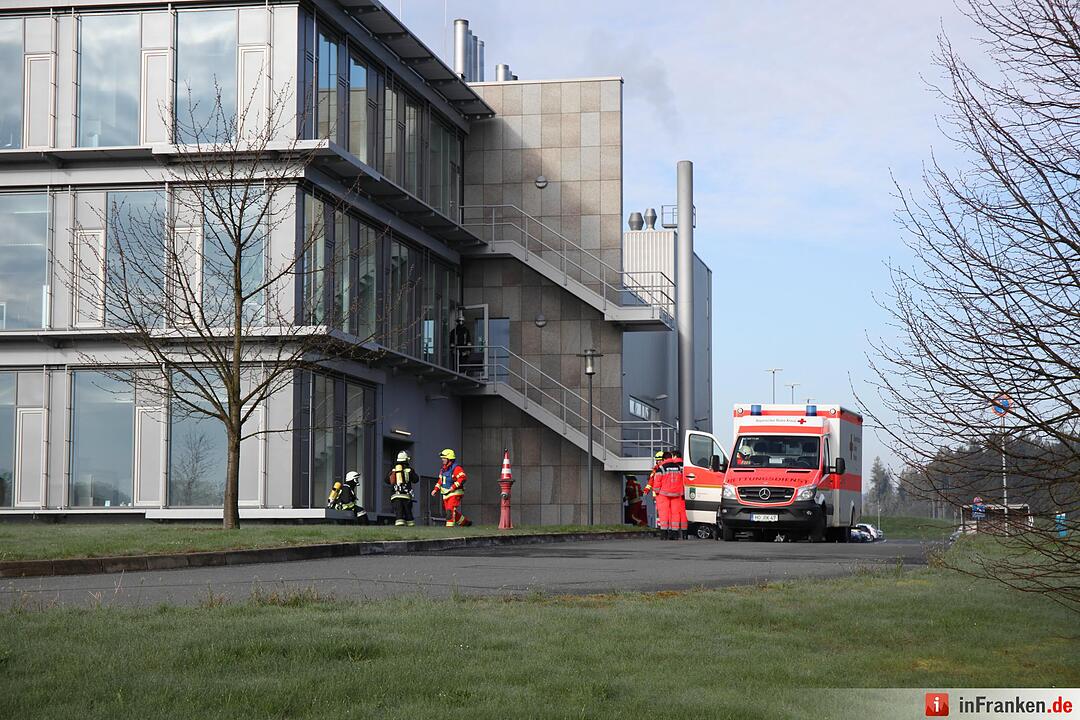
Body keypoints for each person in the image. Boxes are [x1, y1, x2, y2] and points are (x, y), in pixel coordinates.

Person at [432, 448, 471, 527]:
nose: (442, 460)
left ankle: (449, 528)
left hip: (455, 493)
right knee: (450, 511)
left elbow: (463, 478)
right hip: (446, 494)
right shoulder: (443, 469)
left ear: (449, 459)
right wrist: (435, 489)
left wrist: (453, 487)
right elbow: (440, 480)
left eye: (444, 458)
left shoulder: (456, 468)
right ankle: (465, 523)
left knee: (450, 510)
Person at [662, 447, 688, 540]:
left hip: (673, 491)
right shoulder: (685, 465)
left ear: (674, 456)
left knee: (671, 512)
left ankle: (672, 533)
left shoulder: (673, 465)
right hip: (683, 491)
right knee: (682, 513)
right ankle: (684, 533)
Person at [643, 450, 670, 539]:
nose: (658, 462)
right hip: (658, 495)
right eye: (657, 460)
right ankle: (661, 529)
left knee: (665, 513)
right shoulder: (655, 470)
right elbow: (651, 481)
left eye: (660, 460)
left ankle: (664, 530)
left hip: (664, 494)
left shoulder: (663, 469)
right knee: (659, 513)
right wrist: (646, 490)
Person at [386, 451, 417, 526]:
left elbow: (387, 480)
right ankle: (411, 526)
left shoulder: (393, 470)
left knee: (399, 515)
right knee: (408, 513)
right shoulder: (410, 470)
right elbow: (416, 480)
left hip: (396, 496)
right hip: (406, 496)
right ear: (406, 460)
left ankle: (400, 526)